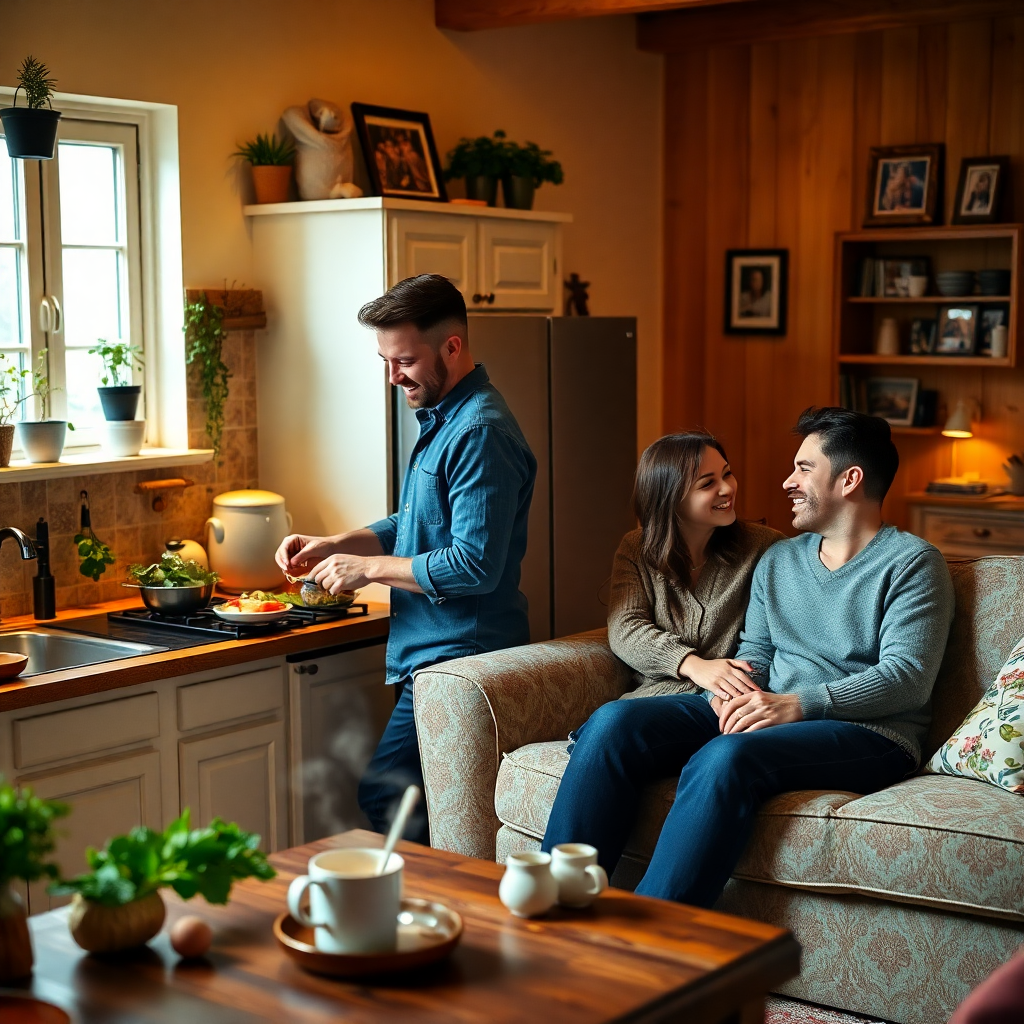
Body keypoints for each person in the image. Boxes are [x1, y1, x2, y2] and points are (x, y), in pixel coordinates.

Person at [542, 408, 954, 909]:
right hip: (772, 710)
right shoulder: (780, 559)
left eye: (803, 468)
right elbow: (755, 652)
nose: (787, 481)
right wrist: (734, 691)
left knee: (726, 756)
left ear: (849, 480)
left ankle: (650, 932)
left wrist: (797, 704)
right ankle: (557, 899)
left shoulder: (913, 563)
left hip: (870, 732)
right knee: (615, 723)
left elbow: (907, 678)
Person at [275, 274, 537, 844]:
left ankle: (435, 896)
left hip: (460, 660)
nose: (393, 377)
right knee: (429, 809)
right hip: (431, 656)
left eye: (405, 361)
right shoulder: (445, 419)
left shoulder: (479, 432)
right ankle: (433, 893)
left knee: (388, 796)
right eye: (386, 361)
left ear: (452, 347)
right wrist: (337, 544)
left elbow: (473, 564)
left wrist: (367, 569)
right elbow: (417, 524)